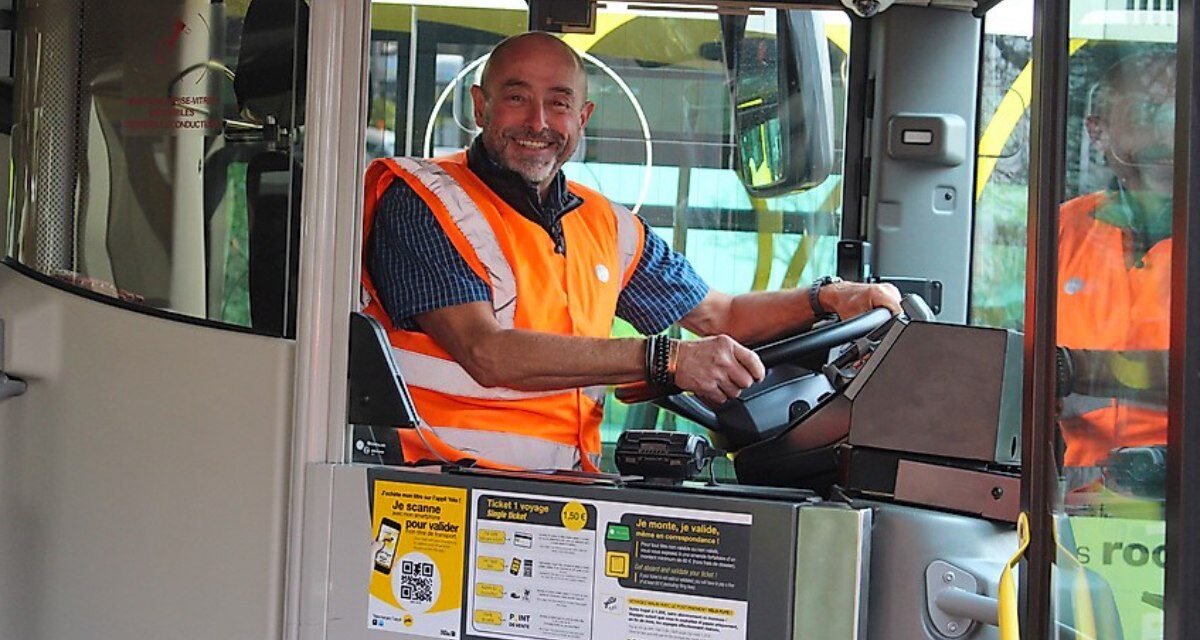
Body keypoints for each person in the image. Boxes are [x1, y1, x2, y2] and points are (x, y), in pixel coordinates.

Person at [362, 32, 901, 471]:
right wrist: (665, 359)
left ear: (584, 118)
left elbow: (723, 315)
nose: (539, 123)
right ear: (480, 106)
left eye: (559, 103)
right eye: (517, 96)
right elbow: (487, 352)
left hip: (563, 494)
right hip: (434, 491)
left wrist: (829, 298)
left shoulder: (606, 225)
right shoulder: (426, 201)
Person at [1056, 49, 1175, 491]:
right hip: (1068, 513)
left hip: (1180, 513)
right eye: (1147, 111)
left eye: (1181, 111)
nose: (1168, 130)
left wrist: (1073, 367)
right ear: (1096, 131)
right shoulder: (1060, 231)